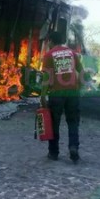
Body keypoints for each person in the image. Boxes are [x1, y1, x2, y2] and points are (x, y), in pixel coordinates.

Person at [40, 31, 85, 163]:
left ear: (51, 41)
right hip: (72, 93)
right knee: (73, 122)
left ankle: (53, 153)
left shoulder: (48, 55)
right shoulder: (72, 53)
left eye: (48, 42)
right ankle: (73, 147)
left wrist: (43, 95)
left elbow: (46, 78)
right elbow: (81, 71)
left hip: (56, 94)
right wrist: (80, 87)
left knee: (54, 124)